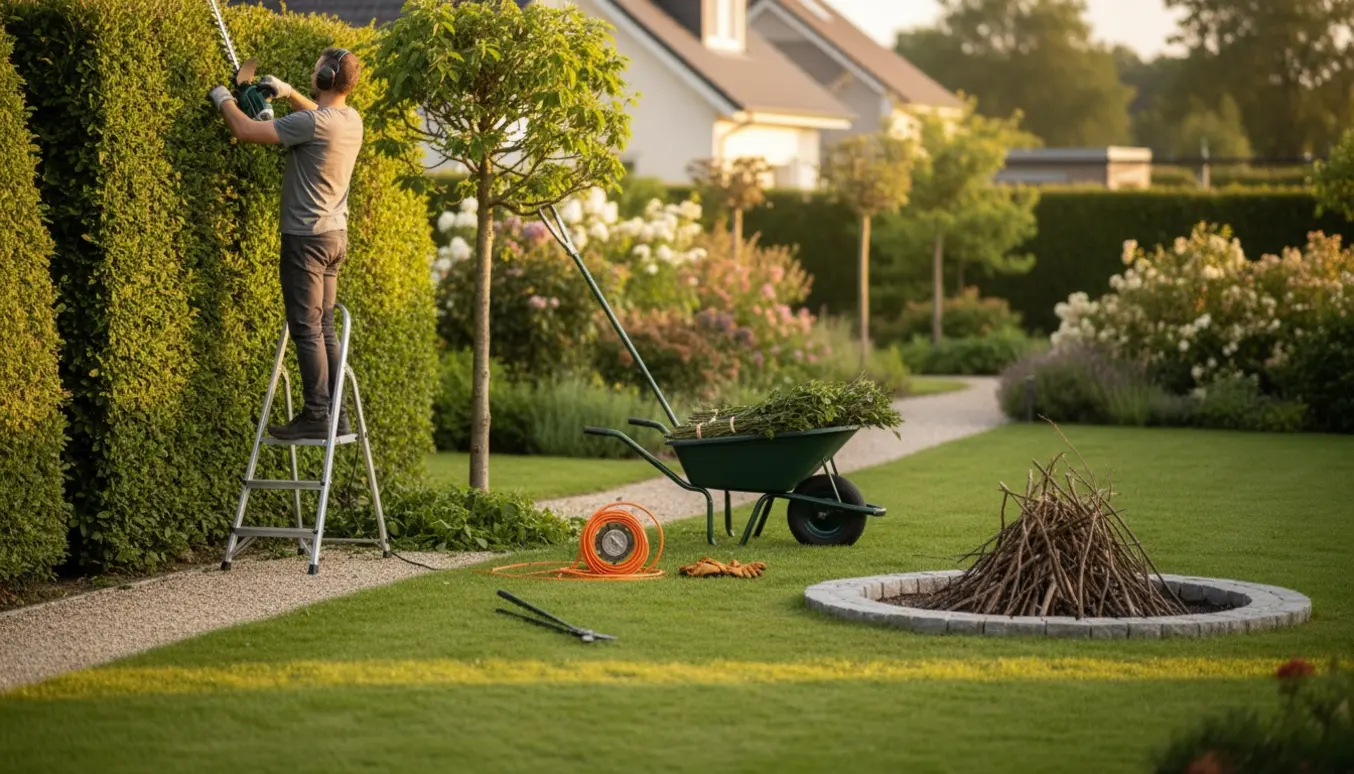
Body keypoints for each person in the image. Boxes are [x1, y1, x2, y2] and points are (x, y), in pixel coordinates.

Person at [208, 49, 364, 441]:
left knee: (307, 328)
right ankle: (336, 414)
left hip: (306, 240)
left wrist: (223, 98)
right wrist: (289, 91)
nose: (312, 73)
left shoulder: (313, 123)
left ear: (327, 76)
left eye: (315, 70)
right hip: (334, 238)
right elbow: (317, 114)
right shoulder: (351, 119)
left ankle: (315, 414)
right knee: (324, 326)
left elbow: (245, 131)